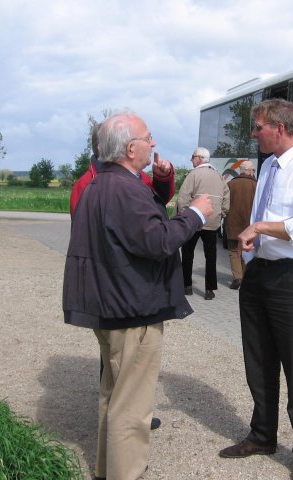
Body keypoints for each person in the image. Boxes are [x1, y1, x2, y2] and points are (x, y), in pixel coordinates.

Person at [63, 110, 213, 480]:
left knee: (113, 397)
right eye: (148, 137)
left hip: (111, 304)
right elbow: (159, 240)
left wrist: (164, 188)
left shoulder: (100, 183)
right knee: (132, 407)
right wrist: (195, 214)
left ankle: (107, 468)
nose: (154, 143)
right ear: (131, 149)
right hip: (132, 309)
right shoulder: (124, 188)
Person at [218, 99, 293, 480]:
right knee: (259, 359)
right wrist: (256, 244)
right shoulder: (269, 165)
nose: (253, 134)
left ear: (280, 127)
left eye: (258, 127)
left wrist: (260, 228)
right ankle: (262, 435)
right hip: (261, 275)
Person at [69, 121, 174, 432]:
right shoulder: (88, 183)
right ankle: (121, 421)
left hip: (127, 285)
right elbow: (87, 236)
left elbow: (157, 202)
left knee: (125, 362)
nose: (152, 143)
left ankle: (127, 416)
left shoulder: (132, 177)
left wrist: (164, 177)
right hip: (114, 286)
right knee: (116, 359)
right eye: (147, 139)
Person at [70, 122, 176, 216]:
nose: (152, 144)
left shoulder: (139, 176)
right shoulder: (85, 185)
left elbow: (158, 202)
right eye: (115, 141)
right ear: (101, 147)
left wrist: (162, 179)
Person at [176, 147, 230, 300]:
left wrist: (184, 216)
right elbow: (226, 197)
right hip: (212, 221)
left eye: (192, 157)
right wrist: (222, 213)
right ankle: (209, 289)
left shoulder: (193, 174)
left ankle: (187, 286)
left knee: (187, 254)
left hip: (194, 220)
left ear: (199, 158)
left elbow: (183, 197)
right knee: (211, 256)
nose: (191, 159)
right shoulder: (219, 176)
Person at [224, 160, 256, 290]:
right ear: (250, 171)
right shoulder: (256, 185)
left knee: (234, 251)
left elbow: (225, 203)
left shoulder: (231, 184)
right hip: (249, 225)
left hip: (233, 222)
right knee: (246, 250)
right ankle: (245, 277)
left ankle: (237, 277)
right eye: (253, 170)